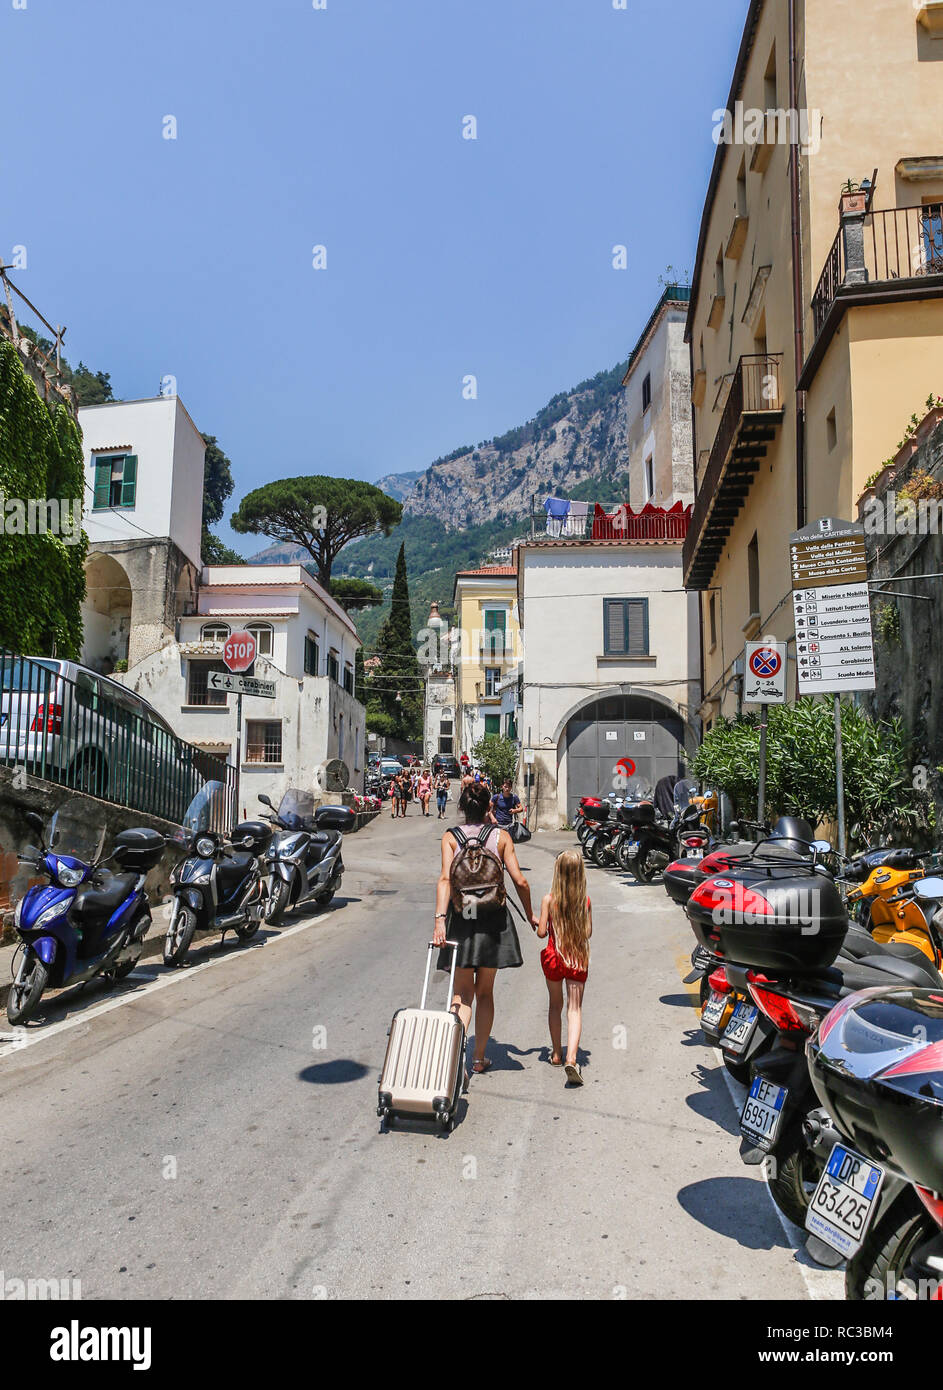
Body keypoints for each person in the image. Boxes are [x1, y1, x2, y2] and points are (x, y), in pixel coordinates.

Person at [433, 781, 537, 1074]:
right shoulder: (501, 836)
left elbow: (444, 879)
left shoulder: (450, 838)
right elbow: (520, 881)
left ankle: (453, 1056)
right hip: (493, 919)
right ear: (489, 806)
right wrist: (531, 915)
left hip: (461, 919)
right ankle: (478, 1059)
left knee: (462, 995)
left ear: (463, 808)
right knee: (485, 993)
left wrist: (440, 920)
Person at [536, 850, 592, 1086]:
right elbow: (588, 933)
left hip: (553, 958)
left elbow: (541, 932)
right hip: (576, 958)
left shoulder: (549, 900)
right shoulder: (585, 901)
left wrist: (541, 922)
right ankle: (572, 1058)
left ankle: (557, 1053)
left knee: (555, 1005)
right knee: (574, 1009)